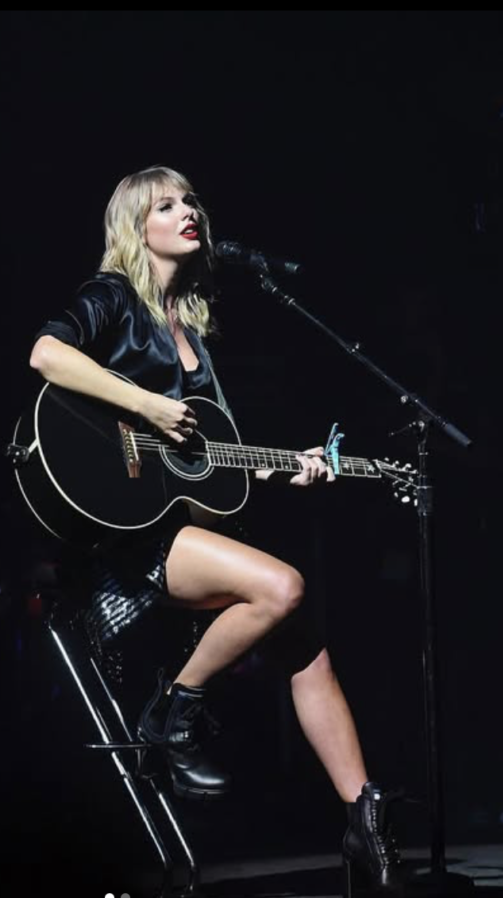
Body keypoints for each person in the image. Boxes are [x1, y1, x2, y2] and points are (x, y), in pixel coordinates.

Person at [29, 166, 403, 891]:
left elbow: (209, 466)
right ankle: (170, 712)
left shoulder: (194, 323)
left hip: (176, 525)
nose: (186, 211)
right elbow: (45, 354)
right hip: (124, 540)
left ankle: (365, 820)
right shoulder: (111, 298)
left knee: (308, 646)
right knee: (283, 585)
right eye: (165, 204)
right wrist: (147, 403)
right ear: (138, 227)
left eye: (190, 199)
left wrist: (283, 466)